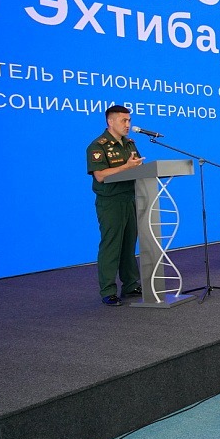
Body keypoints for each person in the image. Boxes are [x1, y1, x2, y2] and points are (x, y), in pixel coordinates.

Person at [87, 105, 144, 307]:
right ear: (110, 121)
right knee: (112, 245)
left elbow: (137, 168)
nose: (128, 125)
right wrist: (126, 167)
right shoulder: (98, 146)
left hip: (130, 198)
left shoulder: (129, 144)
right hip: (110, 201)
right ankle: (108, 290)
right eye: (123, 121)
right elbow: (100, 175)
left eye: (129, 120)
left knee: (129, 244)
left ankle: (130, 284)